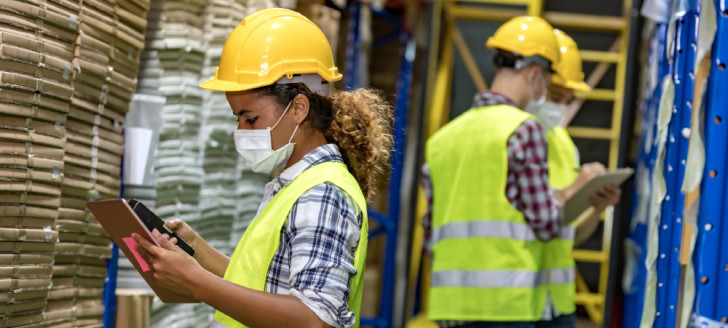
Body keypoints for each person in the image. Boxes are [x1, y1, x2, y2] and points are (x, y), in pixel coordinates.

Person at [132, 8, 392, 328]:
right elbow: (266, 286)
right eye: (237, 118)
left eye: (250, 118)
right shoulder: (295, 184)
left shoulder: (323, 193)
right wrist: (198, 253)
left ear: (298, 108)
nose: (241, 131)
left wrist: (195, 282)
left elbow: (313, 319)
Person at [422, 16, 606, 328]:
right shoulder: (524, 130)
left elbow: (431, 236)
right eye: (549, 85)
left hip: (450, 307)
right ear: (536, 75)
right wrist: (575, 190)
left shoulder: (442, 139)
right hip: (508, 306)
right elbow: (547, 224)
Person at [529, 29, 621, 325]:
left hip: (556, 302)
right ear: (534, 82)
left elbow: (574, 233)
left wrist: (595, 205)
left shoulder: (562, 144)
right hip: (515, 299)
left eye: (567, 99)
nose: (560, 107)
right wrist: (574, 189)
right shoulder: (503, 139)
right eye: (556, 96)